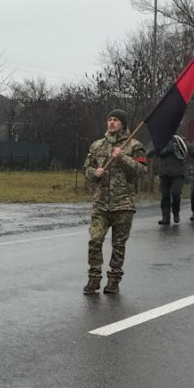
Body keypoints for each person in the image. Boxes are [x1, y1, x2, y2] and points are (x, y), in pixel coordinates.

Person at [83, 109, 147, 294]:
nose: (111, 123)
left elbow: (142, 170)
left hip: (123, 204)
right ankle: (93, 278)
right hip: (101, 204)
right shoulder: (97, 146)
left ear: (123, 124)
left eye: (116, 120)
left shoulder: (134, 145)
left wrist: (123, 157)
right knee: (95, 241)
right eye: (109, 119)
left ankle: (114, 280)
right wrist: (93, 173)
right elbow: (87, 168)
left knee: (118, 245)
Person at [150, 133, 187, 225]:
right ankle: (165, 217)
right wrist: (167, 149)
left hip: (178, 172)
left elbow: (187, 151)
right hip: (164, 172)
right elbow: (156, 152)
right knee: (165, 196)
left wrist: (180, 144)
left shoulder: (180, 138)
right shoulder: (162, 140)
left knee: (176, 193)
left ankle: (176, 213)